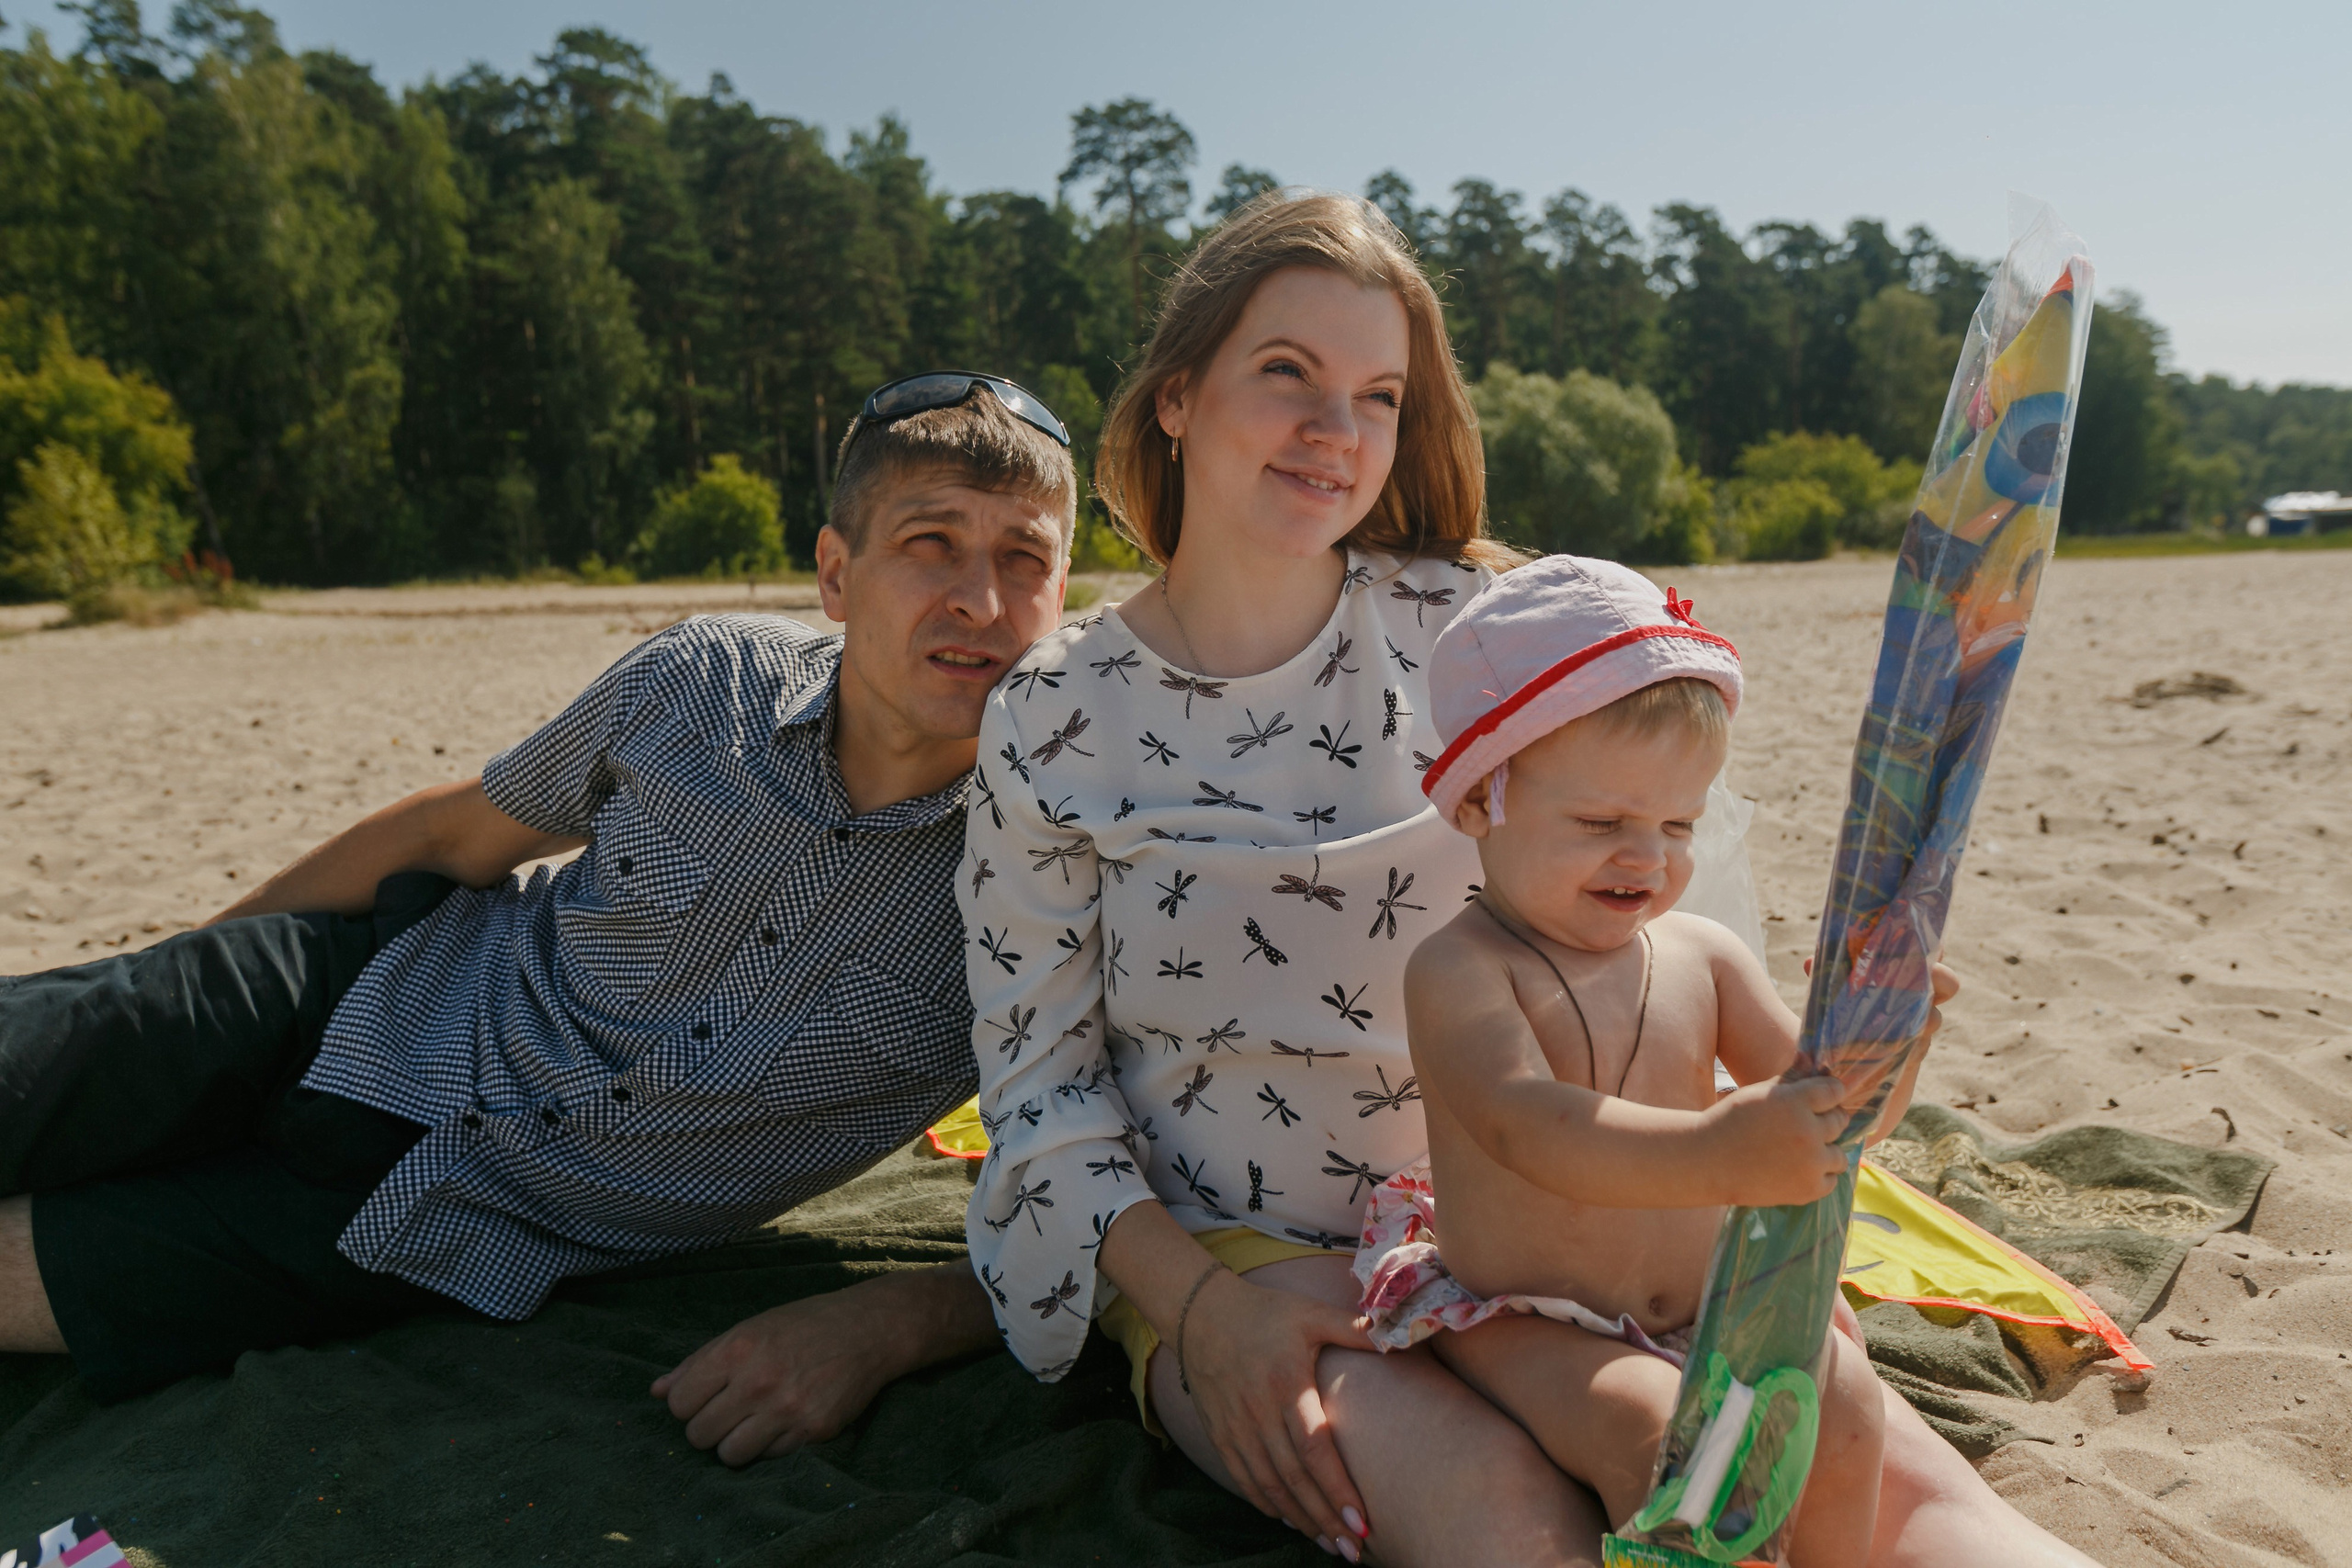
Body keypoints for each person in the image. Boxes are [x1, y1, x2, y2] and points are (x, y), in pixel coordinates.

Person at [957, 187, 2100, 1568]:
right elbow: (1040, 1090)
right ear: (1179, 395)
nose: (1338, 429)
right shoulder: (1053, 710)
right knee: (1510, 1524)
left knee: (1878, 1493)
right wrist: (1202, 1310)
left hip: (1564, 1232)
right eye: (1287, 373)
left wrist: (1751, 1241)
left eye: (1378, 394)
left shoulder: (1484, 627)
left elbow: (1671, 942)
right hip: (1242, 1252)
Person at [0, 373, 1067, 1464]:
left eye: (1024, 559)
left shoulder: (1067, 877)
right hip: (351, 994)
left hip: (435, 1231)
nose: (980, 603)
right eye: (931, 542)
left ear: (1063, 593)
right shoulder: (706, 682)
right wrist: (183, 979)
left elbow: (1116, 1189)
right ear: (837, 574)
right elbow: (449, 837)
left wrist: (893, 1322)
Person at [1364, 555, 1902, 1563]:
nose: (1647, 859)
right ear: (1481, 799)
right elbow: (1530, 1125)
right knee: (1668, 1439)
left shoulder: (1704, 956)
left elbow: (1839, 1114)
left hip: (1708, 1303)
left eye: (1677, 825)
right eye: (1602, 823)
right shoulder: (1462, 970)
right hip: (1531, 1319)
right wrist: (1720, 1148)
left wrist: (1890, 1030)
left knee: (1850, 1402)